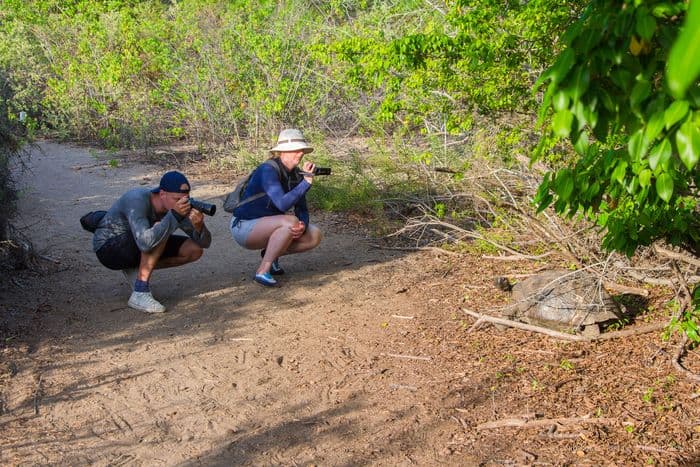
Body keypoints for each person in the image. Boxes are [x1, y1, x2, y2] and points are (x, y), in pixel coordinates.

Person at [92, 171, 212, 312]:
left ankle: (136, 270)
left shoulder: (177, 207)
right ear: (162, 194)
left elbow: (205, 243)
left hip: (137, 246)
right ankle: (140, 292)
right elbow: (146, 242)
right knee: (158, 232)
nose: (182, 203)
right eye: (177, 199)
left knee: (194, 250)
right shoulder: (137, 199)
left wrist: (199, 227)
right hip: (108, 248)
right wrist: (173, 216)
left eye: (186, 199)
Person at [231, 128, 322, 287]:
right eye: (295, 150)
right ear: (282, 152)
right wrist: (306, 183)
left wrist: (303, 225)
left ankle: (270, 256)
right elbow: (282, 203)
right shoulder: (268, 170)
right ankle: (262, 271)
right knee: (290, 222)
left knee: (314, 234)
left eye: (301, 150)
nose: (300, 153)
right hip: (244, 226)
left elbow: (302, 208)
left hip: (269, 225)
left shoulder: (295, 174)